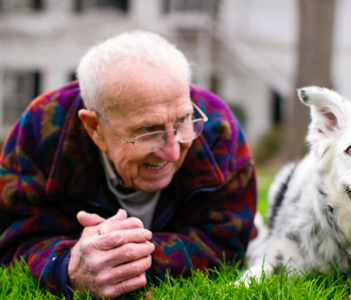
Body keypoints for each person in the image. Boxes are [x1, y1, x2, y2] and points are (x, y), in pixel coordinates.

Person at [0, 31, 256, 299]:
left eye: (182, 122)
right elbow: (14, 239)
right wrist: (69, 265)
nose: (171, 152)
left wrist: (123, 255)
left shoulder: (217, 127)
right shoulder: (40, 129)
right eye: (148, 131)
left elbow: (226, 243)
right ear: (95, 128)